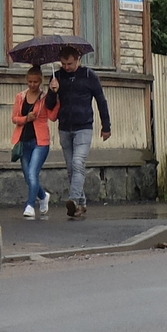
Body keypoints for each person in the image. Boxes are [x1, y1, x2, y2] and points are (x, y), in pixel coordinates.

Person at [52, 45, 111, 219]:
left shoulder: (89, 76)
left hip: (84, 127)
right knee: (71, 168)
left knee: (78, 163)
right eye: (63, 64)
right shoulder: (57, 77)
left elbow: (101, 101)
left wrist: (106, 126)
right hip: (64, 128)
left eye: (70, 63)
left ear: (78, 59)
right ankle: (81, 205)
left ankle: (73, 200)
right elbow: (49, 105)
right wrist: (52, 91)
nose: (66, 67)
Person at [10, 74, 60, 219]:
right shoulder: (20, 97)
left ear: (40, 81)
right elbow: (14, 118)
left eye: (35, 82)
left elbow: (53, 116)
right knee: (28, 177)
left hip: (40, 142)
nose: (32, 84)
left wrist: (55, 95)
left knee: (32, 173)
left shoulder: (45, 98)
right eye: (30, 81)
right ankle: (43, 196)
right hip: (24, 141)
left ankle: (30, 205)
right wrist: (26, 118)